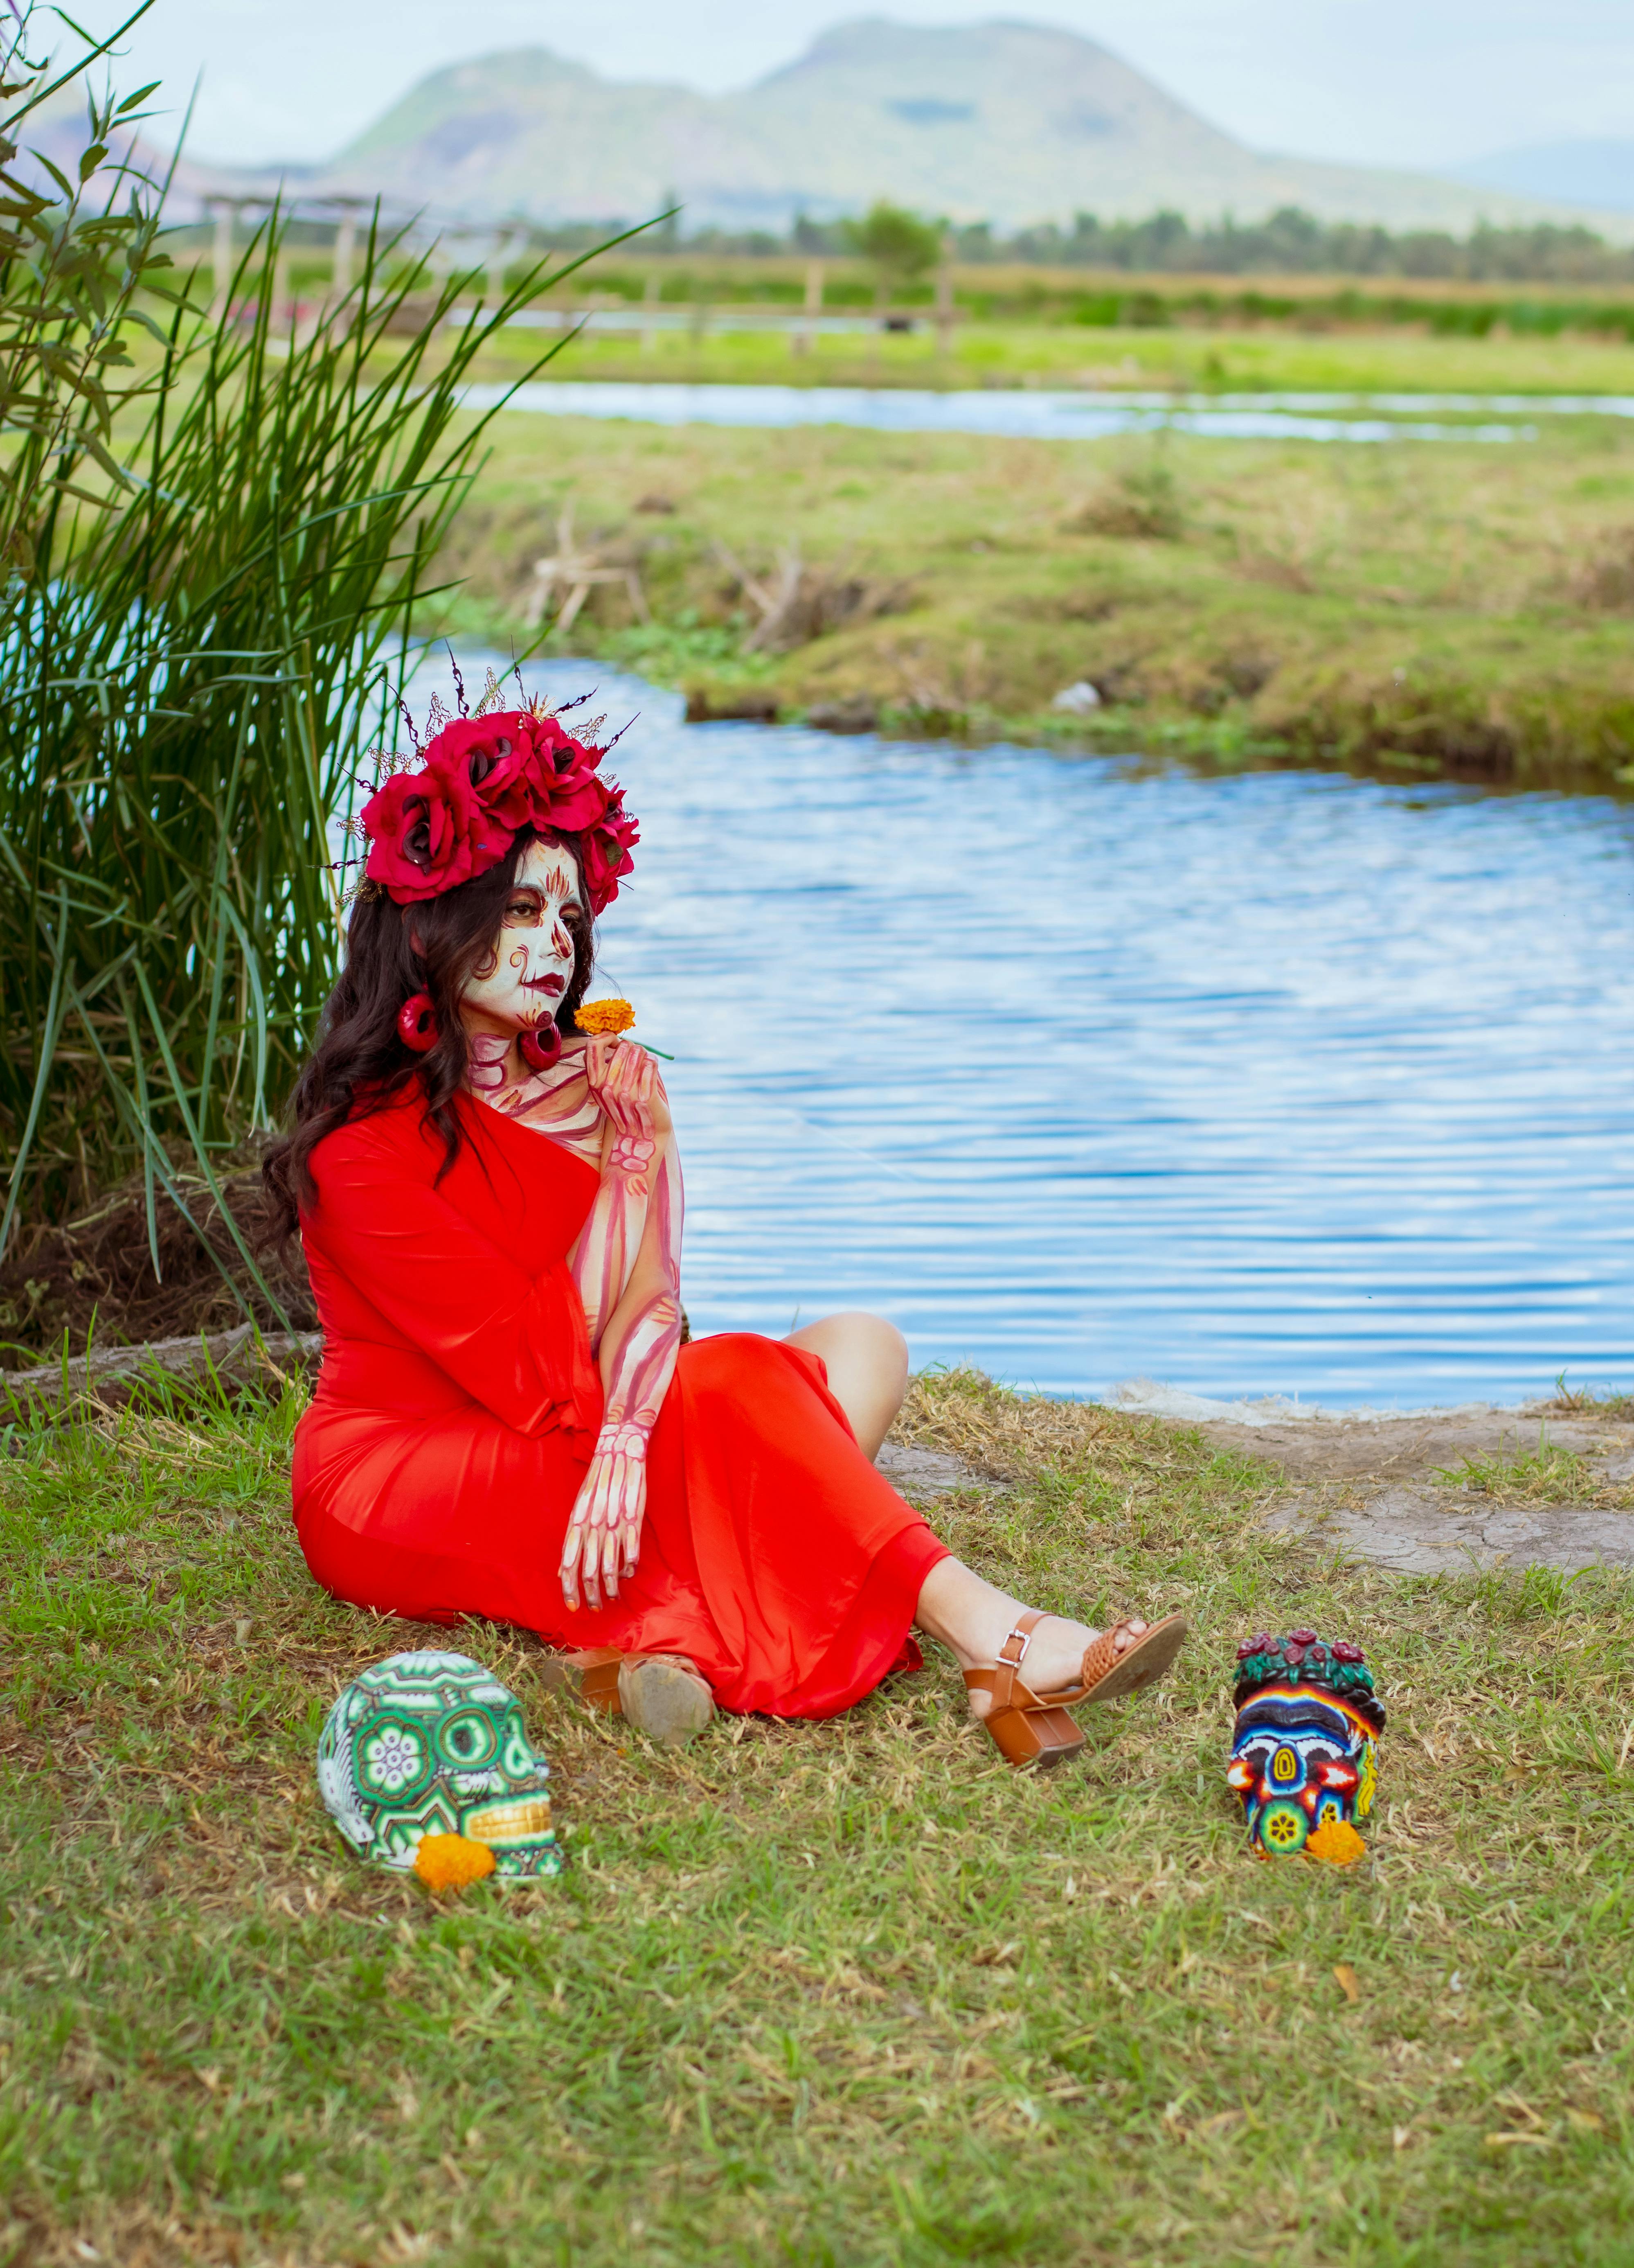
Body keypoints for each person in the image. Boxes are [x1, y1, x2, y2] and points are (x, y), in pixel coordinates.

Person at [264, 692, 1187, 1767]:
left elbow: (652, 1305)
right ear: (431, 926)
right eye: (519, 910)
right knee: (729, 1387)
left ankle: (656, 1635)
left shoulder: (593, 1090)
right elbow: (547, 1374)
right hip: (404, 1477)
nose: (555, 944)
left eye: (568, 919)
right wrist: (624, 1185)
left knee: (861, 1344)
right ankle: (999, 1637)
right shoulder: (360, 1153)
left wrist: (638, 1148)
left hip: (581, 1423)